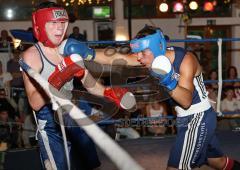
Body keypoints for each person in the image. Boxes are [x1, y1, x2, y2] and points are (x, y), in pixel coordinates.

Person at [21, 1, 136, 170]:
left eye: (62, 23)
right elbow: (35, 103)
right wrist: (58, 78)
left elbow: (92, 86)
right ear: (39, 25)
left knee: (91, 165)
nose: (59, 28)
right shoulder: (32, 56)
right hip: (51, 126)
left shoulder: (69, 50)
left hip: (74, 116)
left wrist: (110, 93)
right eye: (53, 23)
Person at [127, 25, 240, 170]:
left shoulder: (185, 59)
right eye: (137, 52)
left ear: (156, 47)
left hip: (197, 117)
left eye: (142, 52)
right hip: (189, 118)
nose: (138, 57)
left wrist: (168, 80)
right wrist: (90, 54)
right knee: (217, 161)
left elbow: (186, 101)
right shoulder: (148, 57)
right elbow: (119, 57)